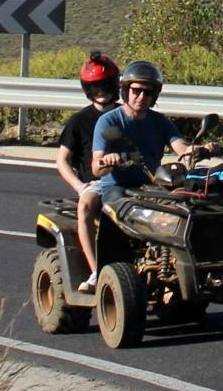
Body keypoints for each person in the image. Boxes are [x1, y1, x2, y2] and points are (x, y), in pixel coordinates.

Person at [77, 59, 204, 292]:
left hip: (150, 185)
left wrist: (198, 149)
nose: (141, 97)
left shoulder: (160, 121)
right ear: (126, 91)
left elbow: (181, 147)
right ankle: (102, 270)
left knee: (187, 206)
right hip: (116, 187)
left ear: (154, 96)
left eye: (147, 92)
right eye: (136, 91)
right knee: (116, 212)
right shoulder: (110, 120)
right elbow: (96, 166)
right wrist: (108, 161)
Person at [55, 52, 120, 196]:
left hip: (128, 183)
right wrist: (80, 187)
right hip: (96, 186)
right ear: (88, 90)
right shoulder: (79, 121)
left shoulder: (127, 115)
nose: (101, 92)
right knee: (87, 208)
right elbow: (62, 160)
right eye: (95, 87)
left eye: (105, 86)